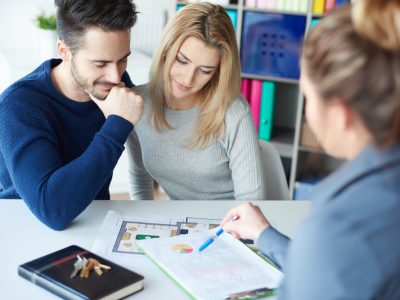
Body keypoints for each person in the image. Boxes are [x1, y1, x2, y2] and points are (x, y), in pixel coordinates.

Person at [221, 1, 400, 299]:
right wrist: (266, 235)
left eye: (307, 97)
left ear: (341, 114)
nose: (306, 114)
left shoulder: (339, 227)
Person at [0, 0, 144, 230]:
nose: (116, 76)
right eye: (100, 63)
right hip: (25, 227)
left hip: (93, 223)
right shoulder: (19, 105)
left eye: (122, 59)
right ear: (64, 51)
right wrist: (116, 125)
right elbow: (52, 211)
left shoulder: (112, 85)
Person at [127, 3, 263, 200]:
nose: (188, 79)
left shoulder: (233, 112)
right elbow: (139, 178)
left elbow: (251, 201)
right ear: (166, 50)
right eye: (182, 61)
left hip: (232, 222)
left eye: (205, 70)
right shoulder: (137, 105)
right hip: (183, 223)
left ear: (218, 72)